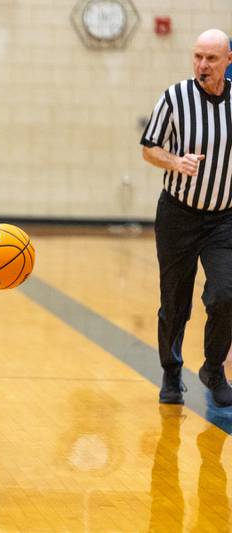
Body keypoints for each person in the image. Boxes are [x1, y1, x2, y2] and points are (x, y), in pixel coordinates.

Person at [140, 28, 232, 407]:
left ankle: (213, 367)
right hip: (178, 213)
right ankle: (172, 371)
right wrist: (175, 161)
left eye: (211, 58)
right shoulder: (175, 97)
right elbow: (149, 149)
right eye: (197, 56)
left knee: (226, 294)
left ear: (228, 61)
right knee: (175, 301)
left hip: (224, 218)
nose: (202, 65)